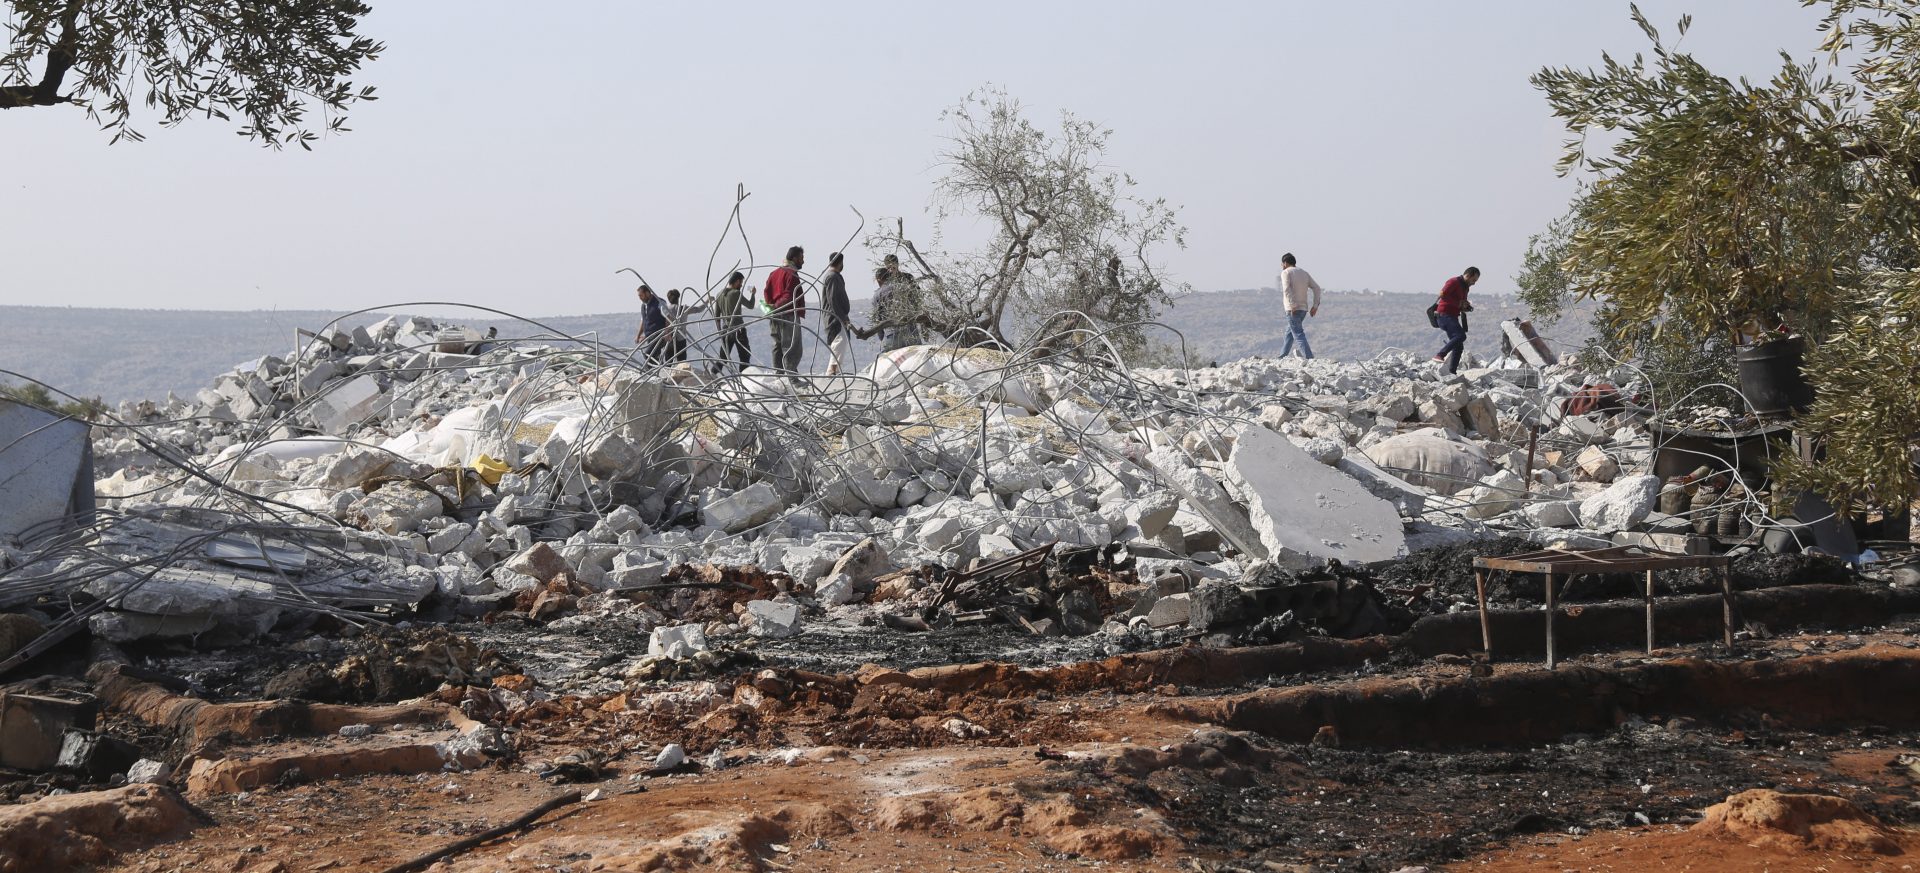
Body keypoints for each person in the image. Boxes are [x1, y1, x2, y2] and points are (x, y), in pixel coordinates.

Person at [764, 245, 807, 374]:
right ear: (794, 258)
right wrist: (779, 307)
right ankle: (792, 377)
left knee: (778, 345)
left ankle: (779, 373)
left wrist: (772, 307)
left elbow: (767, 292)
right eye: (801, 258)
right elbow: (789, 296)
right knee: (792, 346)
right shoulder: (791, 274)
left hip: (774, 314)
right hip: (788, 314)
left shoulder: (774, 273)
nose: (803, 261)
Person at [1431, 266, 1479, 374]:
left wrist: (1465, 306)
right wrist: (1458, 303)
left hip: (1452, 316)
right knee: (1460, 336)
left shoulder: (1465, 287)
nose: (1474, 283)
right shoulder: (1454, 281)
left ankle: (1452, 372)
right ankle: (1440, 354)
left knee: (1458, 346)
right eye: (1473, 280)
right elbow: (1442, 295)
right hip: (1444, 315)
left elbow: (1461, 302)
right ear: (1467, 275)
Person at [1275, 252, 1323, 359]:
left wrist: (1292, 305)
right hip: (1303, 309)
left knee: (1298, 333)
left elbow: (1286, 289)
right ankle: (1282, 357)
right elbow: (1317, 288)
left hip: (1293, 309)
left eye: (1282, 264)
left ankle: (1310, 358)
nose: (1282, 266)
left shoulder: (1286, 272)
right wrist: (1315, 306)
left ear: (1285, 263)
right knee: (1289, 333)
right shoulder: (1304, 273)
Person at [711, 271, 754, 373]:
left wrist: (721, 333)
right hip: (739, 330)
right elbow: (751, 305)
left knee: (723, 358)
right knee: (744, 357)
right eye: (741, 282)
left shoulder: (719, 294)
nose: (741, 285)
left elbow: (717, 317)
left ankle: (712, 374)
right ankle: (744, 380)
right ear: (737, 281)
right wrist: (753, 294)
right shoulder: (736, 293)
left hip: (726, 330)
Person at [820, 252, 853, 375]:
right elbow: (833, 299)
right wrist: (842, 317)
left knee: (842, 340)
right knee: (839, 340)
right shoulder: (832, 277)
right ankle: (832, 370)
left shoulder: (835, 276)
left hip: (838, 316)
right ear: (840, 263)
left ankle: (834, 369)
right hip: (834, 317)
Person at [633, 284, 670, 365]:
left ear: (647, 293)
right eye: (639, 296)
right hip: (650, 336)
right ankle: (660, 370)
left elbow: (668, 317)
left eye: (641, 295)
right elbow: (643, 321)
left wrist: (667, 332)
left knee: (648, 355)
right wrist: (638, 335)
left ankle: (653, 373)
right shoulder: (644, 306)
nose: (640, 298)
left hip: (659, 335)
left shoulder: (659, 302)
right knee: (654, 356)